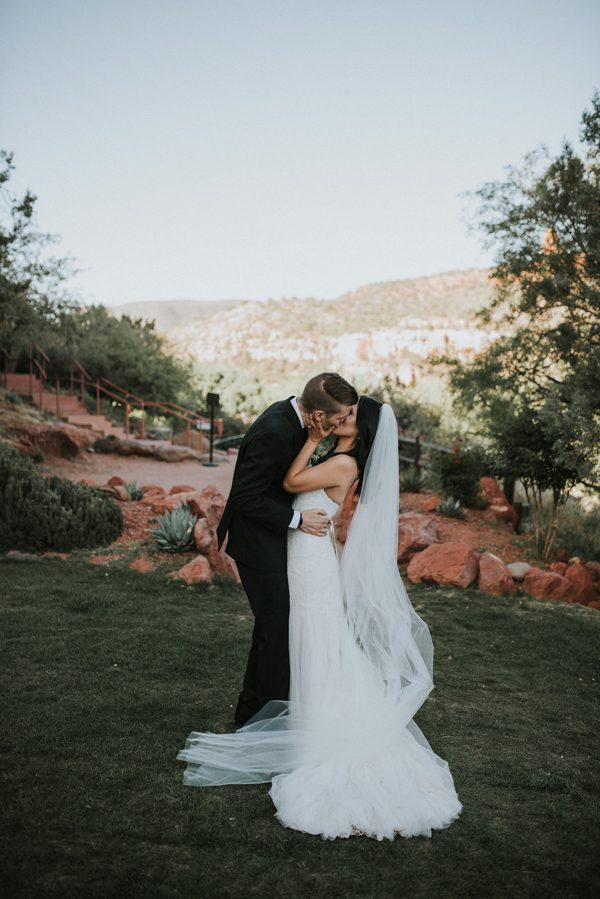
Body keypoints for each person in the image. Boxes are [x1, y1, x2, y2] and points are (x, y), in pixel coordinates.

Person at [179, 396, 462, 841]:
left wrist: (311, 438)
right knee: (307, 634)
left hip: (308, 558)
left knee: (311, 634)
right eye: (340, 413)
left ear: (362, 430)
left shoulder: (343, 462)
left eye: (349, 416)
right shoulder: (341, 458)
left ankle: (312, 724)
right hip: (308, 552)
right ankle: (289, 712)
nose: (340, 419)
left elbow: (292, 480)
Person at [216, 373, 358, 726]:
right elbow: (245, 497)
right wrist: (296, 520)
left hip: (280, 542)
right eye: (341, 417)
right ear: (320, 416)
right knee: (276, 635)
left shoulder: (302, 424)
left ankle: (253, 716)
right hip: (258, 545)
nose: (343, 422)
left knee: (274, 632)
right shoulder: (274, 431)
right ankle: (267, 725)